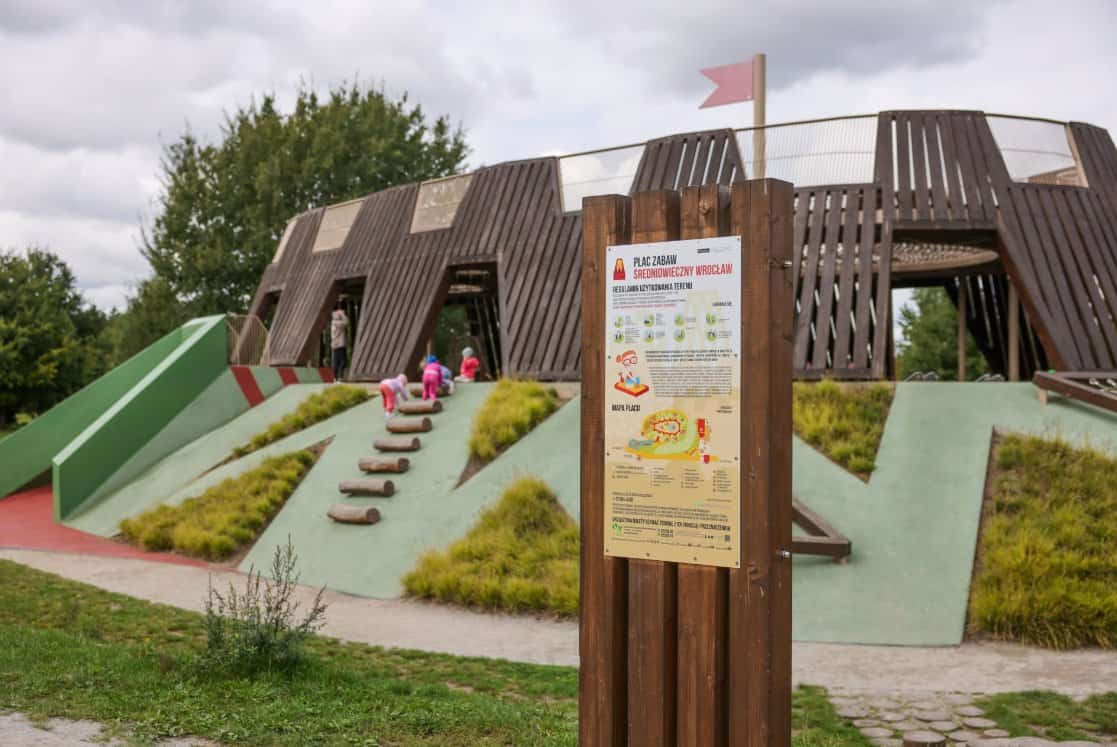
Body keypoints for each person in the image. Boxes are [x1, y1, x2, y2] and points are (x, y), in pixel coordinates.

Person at [330, 301, 348, 382]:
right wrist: (342, 314)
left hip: (335, 345)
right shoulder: (337, 322)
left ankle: (335, 378)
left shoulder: (334, 321)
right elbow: (346, 322)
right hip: (339, 344)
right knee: (343, 361)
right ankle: (339, 377)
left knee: (336, 361)